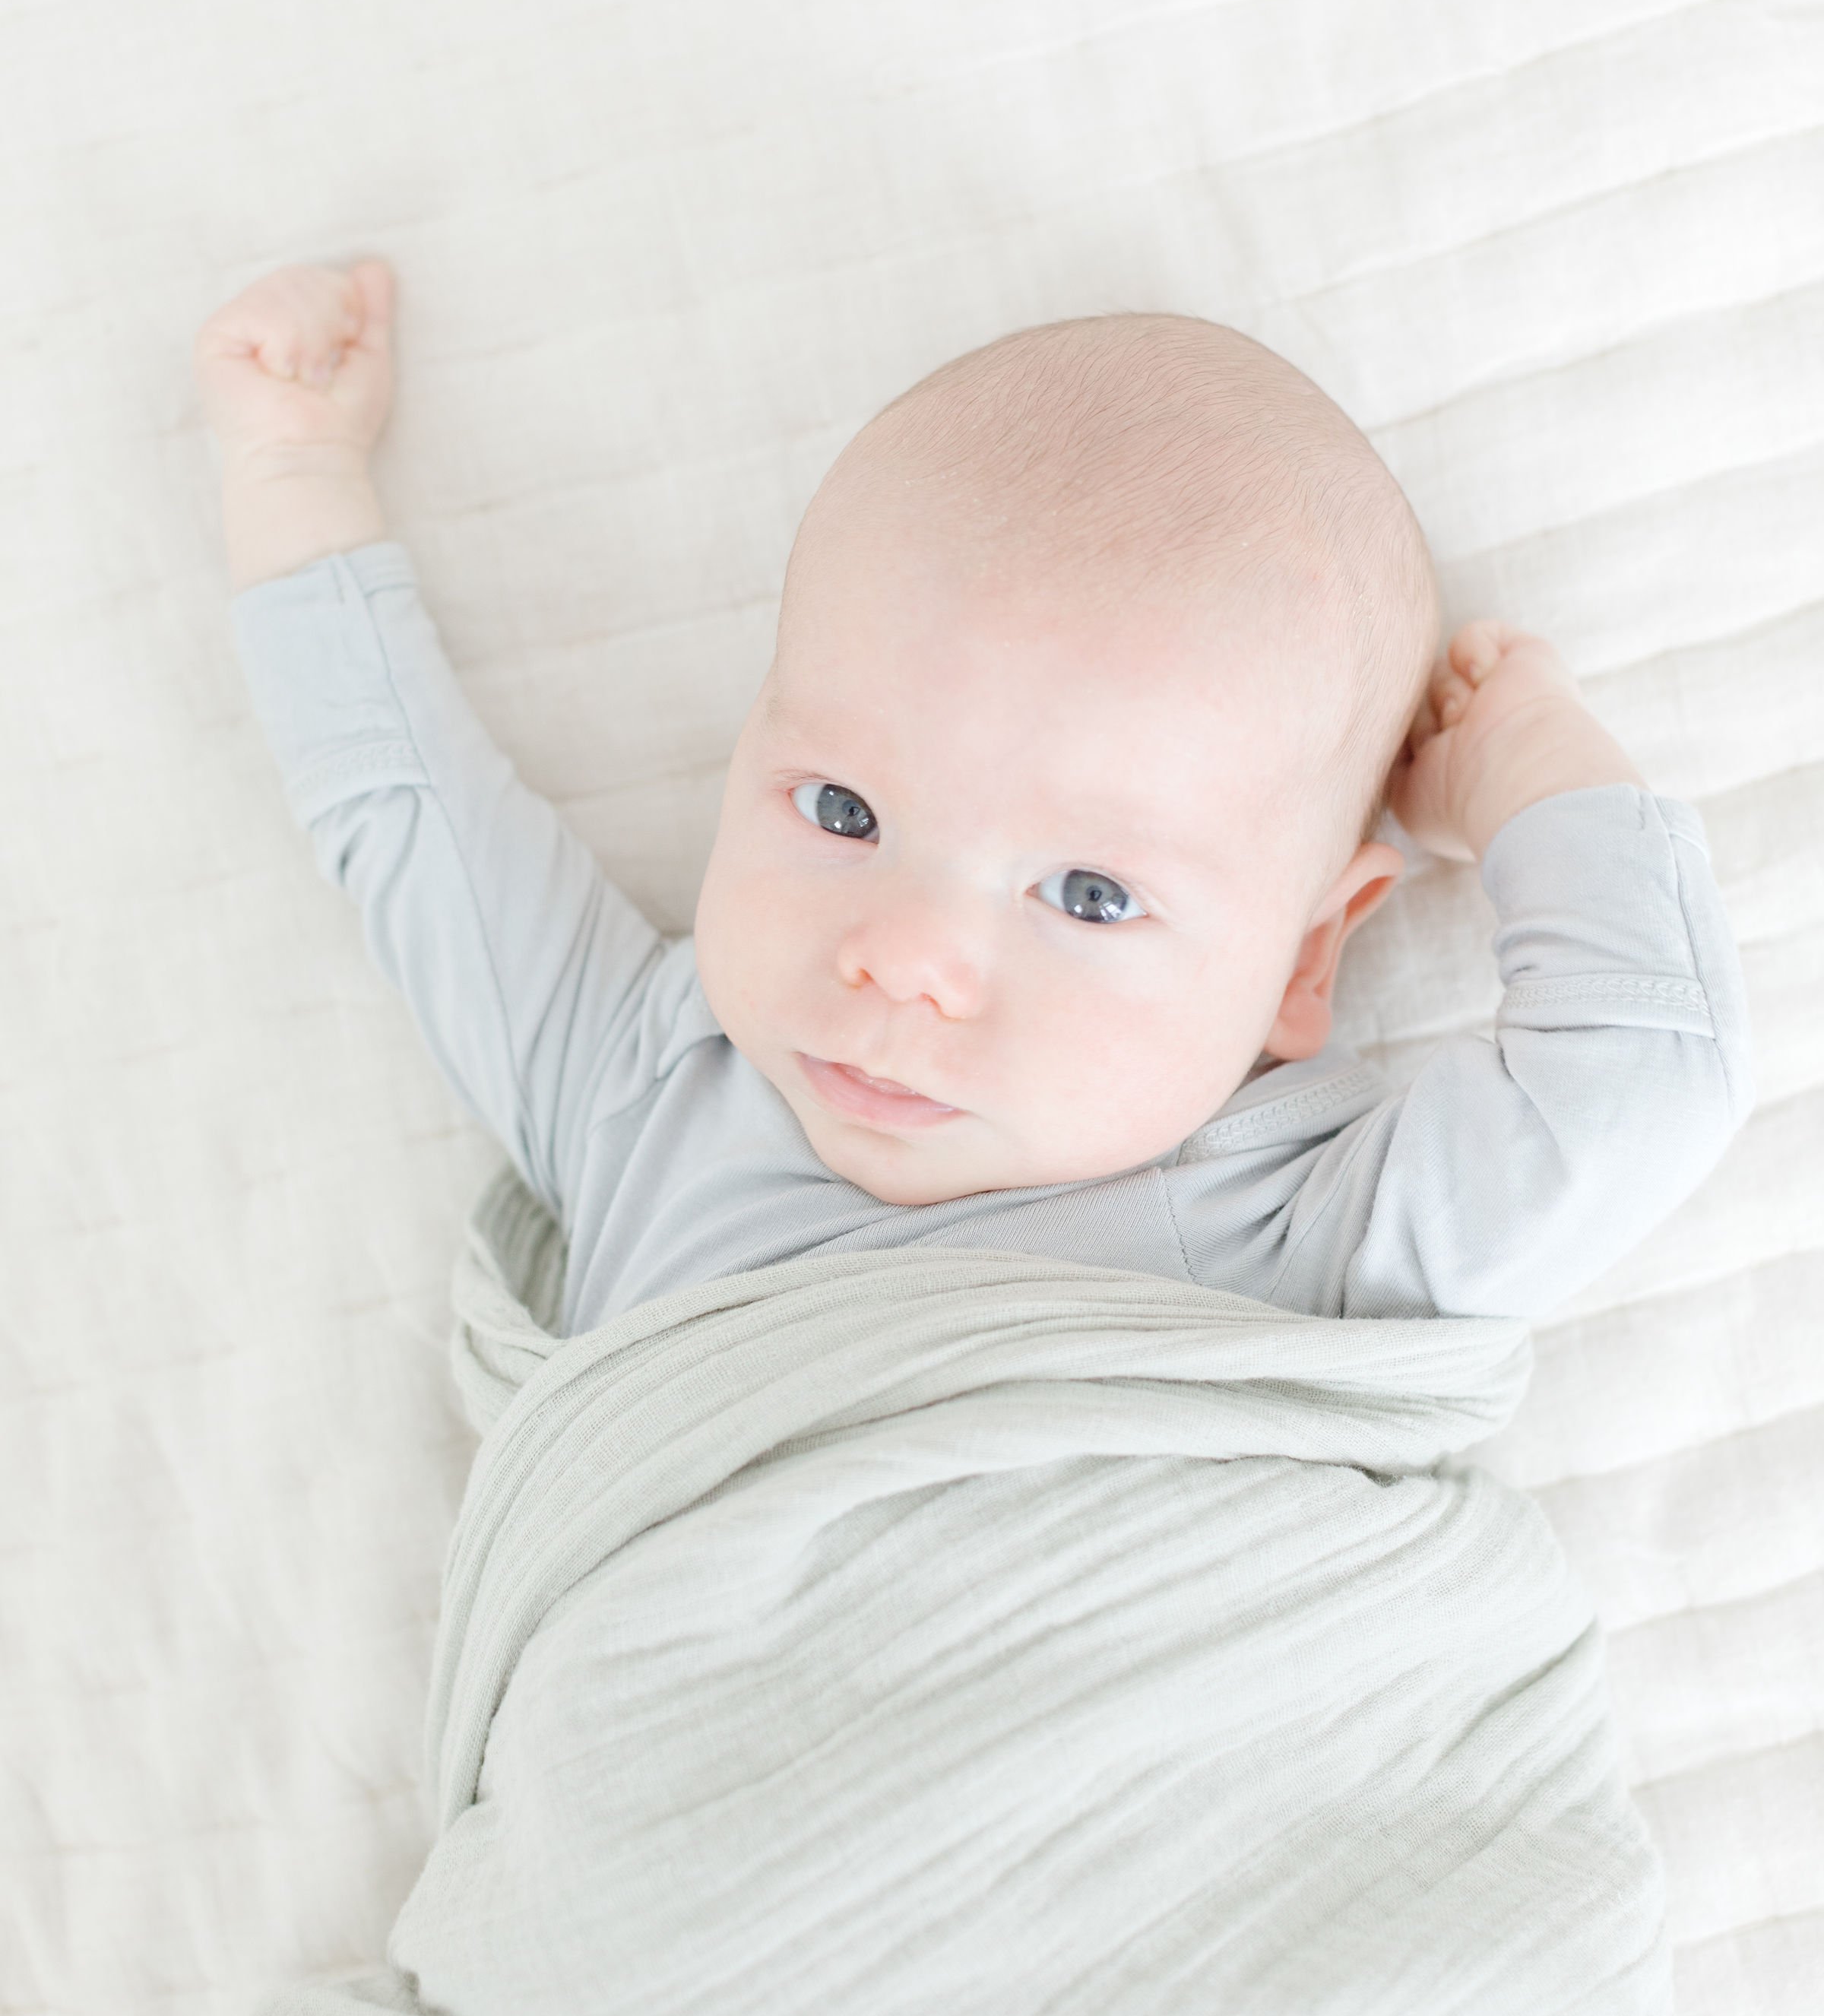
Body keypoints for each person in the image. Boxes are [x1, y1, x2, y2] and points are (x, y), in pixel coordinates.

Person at [196, 259, 1752, 1335]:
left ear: (1298, 964)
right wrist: (291, 476)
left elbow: (1640, 1085)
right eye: (845, 812)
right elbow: (403, 816)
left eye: (1088, 895)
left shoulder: (1298, 1230)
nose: (907, 959)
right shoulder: (637, 1083)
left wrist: (1535, 770)